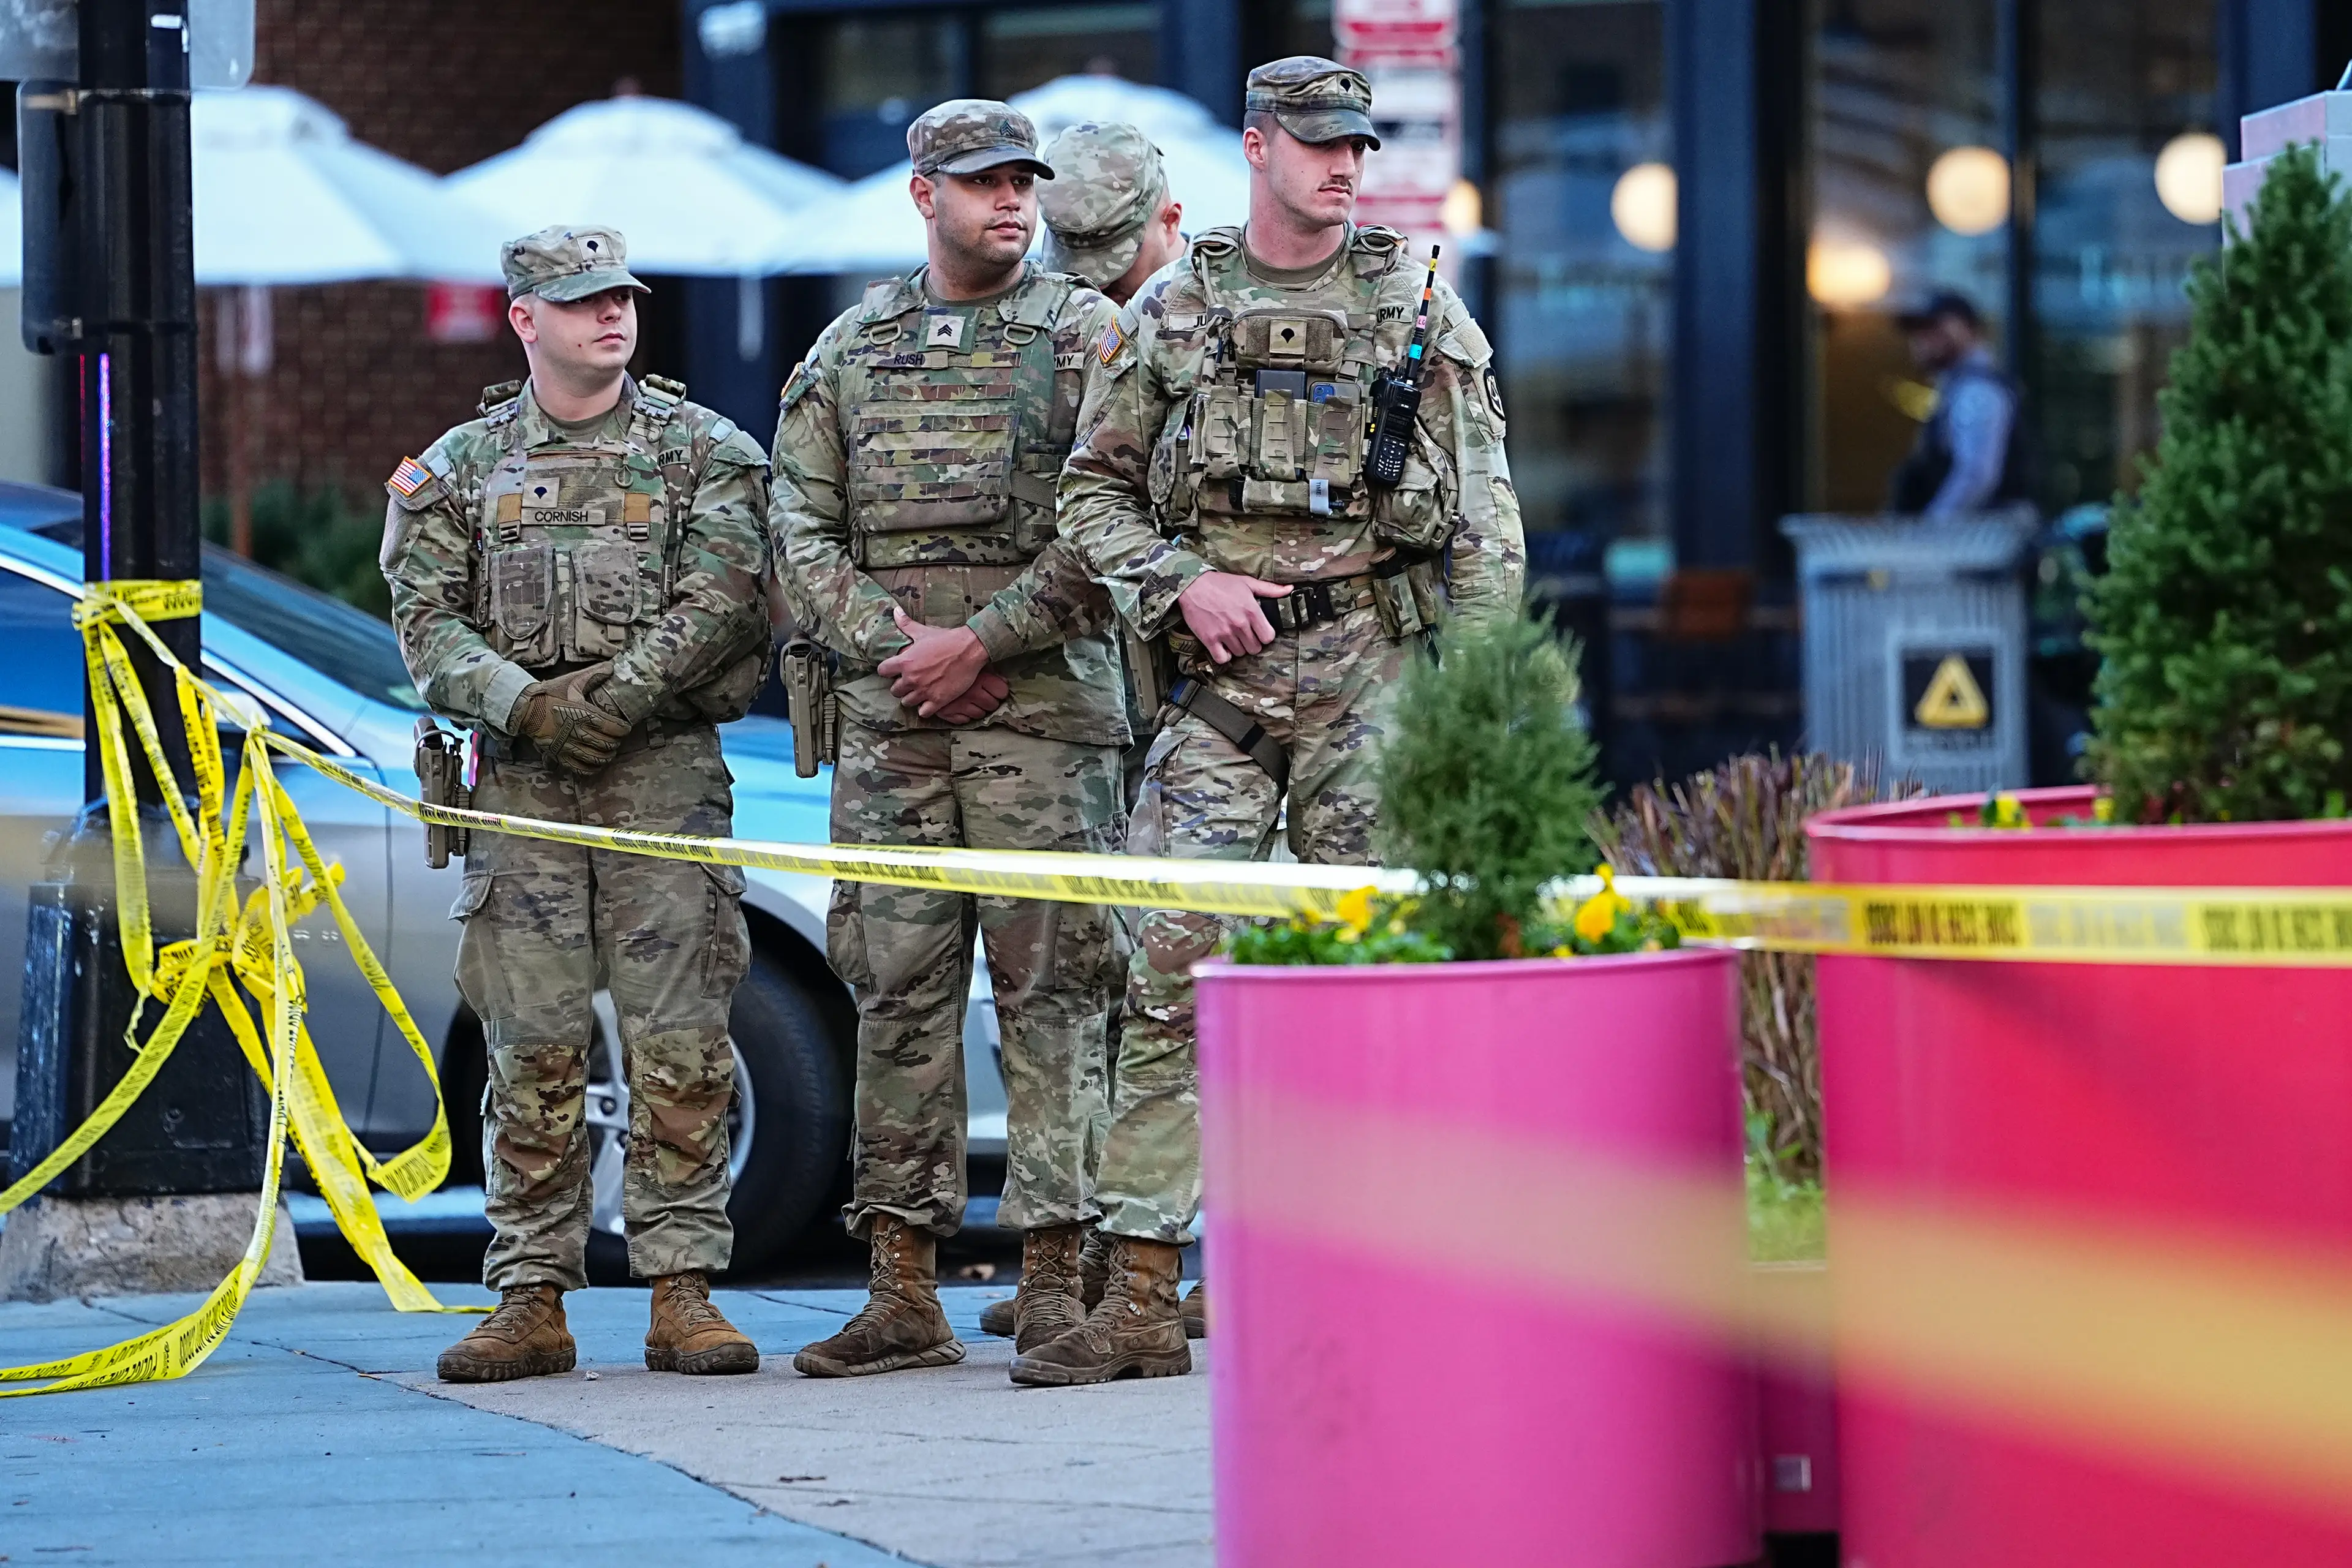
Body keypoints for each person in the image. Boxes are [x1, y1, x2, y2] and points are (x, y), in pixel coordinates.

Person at [1014, 57, 1525, 1387]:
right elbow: (1093, 499)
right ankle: (1137, 1292)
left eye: (1355, 143)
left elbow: (1484, 525)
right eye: (1314, 145)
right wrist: (1188, 580)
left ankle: (1393, 1274)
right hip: (1223, 694)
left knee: (1389, 982)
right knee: (1167, 975)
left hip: (1378, 681)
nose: (1342, 165)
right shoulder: (1177, 311)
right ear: (1255, 149)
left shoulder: (1418, 303)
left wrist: (1476, 704)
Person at [769, 100, 1130, 1378]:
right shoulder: (851, 348)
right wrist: (899, 646)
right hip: (895, 728)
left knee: (1059, 996)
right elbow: (797, 529)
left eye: (1023, 181)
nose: (1013, 201)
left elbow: (1119, 513)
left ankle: (1052, 1274)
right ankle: (902, 1282)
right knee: (896, 996)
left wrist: (983, 643)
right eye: (984, 183)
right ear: (925, 195)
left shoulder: (1092, 333)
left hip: (1045, 718)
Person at [383, 225, 772, 1383]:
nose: (612, 317)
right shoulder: (458, 467)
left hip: (663, 780)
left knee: (684, 1041)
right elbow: (424, 618)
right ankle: (531, 1295)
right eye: (583, 301)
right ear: (524, 319)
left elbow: (729, 600)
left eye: (622, 299)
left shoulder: (705, 450)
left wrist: (618, 696)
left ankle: (683, 1289)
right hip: (524, 791)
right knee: (531, 1046)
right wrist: (521, 703)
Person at [972, 118, 1196, 1352]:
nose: (1100, 265)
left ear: (1167, 216)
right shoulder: (1076, 328)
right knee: (1111, 988)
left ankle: (1194, 1256)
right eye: (1082, 244)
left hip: (1200, 696)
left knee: (1183, 983)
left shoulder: (1188, 322)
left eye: (1118, 242)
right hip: (1104, 698)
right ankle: (1118, 1255)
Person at [1889, 290, 2033, 518]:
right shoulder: (1957, 388)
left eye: (1933, 328)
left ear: (1966, 329)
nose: (1922, 340)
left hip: (1985, 540)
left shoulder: (1977, 391)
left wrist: (1931, 530)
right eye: (1918, 332)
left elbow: (1977, 476)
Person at [1037, 120, 1186, 307]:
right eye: (1072, 262)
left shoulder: (1227, 306)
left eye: (1117, 256)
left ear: (1170, 222)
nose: (1098, 285)